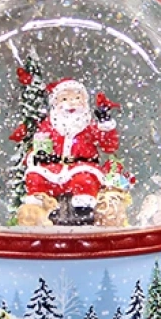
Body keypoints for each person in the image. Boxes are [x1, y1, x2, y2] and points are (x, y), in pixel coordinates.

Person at [19, 78, 120, 225]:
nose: (71, 103)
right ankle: (39, 213)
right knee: (35, 177)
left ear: (84, 102)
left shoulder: (89, 126)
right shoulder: (49, 125)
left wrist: (105, 125)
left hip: (81, 167)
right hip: (53, 168)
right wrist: (36, 156)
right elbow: (39, 145)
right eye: (64, 99)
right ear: (55, 103)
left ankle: (83, 213)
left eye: (77, 98)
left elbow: (109, 146)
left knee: (83, 181)